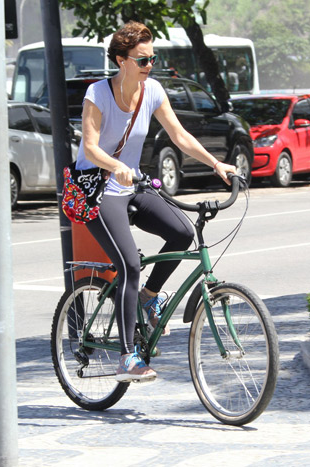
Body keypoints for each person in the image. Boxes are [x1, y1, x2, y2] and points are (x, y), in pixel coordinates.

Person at [76, 21, 237, 383]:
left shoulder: (153, 91)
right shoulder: (97, 94)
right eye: (143, 60)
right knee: (129, 264)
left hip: (133, 185)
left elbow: (179, 135)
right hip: (99, 189)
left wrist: (215, 164)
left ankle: (150, 296)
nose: (150, 65)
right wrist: (116, 165)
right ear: (121, 61)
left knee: (182, 233)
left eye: (153, 59)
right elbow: (90, 147)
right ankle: (126, 357)